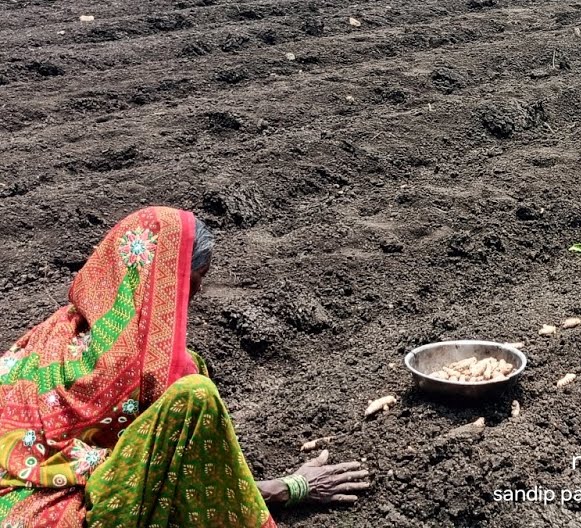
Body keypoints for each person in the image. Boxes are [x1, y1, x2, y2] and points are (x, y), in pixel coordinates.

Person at [0, 206, 370, 527]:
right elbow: (176, 478)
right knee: (195, 395)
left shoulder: (55, 330)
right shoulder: (152, 373)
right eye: (192, 282)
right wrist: (289, 488)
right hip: (39, 512)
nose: (194, 296)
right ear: (160, 281)